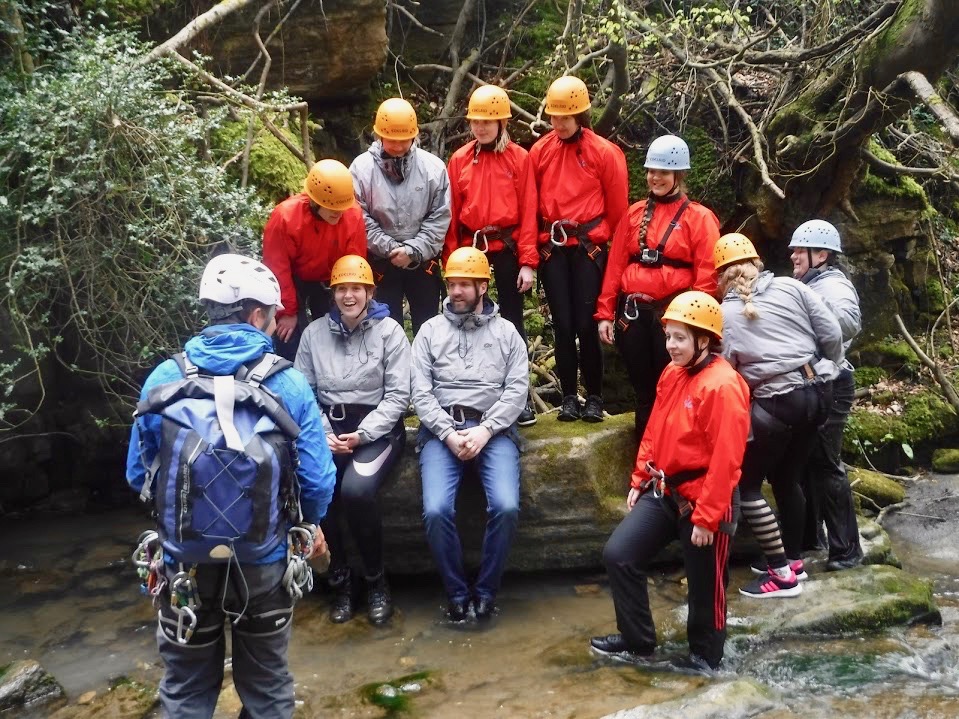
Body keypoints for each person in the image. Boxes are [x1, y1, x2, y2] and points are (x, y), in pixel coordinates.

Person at [126, 254, 335, 719]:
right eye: (272, 314)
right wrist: (308, 525)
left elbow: (139, 476)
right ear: (255, 314)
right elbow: (317, 481)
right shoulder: (290, 384)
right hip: (264, 563)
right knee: (267, 687)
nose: (275, 323)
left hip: (184, 567)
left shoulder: (165, 377)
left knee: (184, 688)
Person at [590, 291, 749, 671]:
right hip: (666, 489)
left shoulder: (723, 386)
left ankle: (705, 658)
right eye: (668, 336)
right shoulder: (672, 373)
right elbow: (655, 428)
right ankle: (638, 640)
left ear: (704, 341)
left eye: (680, 338)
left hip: (708, 496)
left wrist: (708, 517)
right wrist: (641, 475)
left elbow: (728, 459)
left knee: (705, 586)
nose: (671, 345)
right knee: (620, 555)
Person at [714, 233, 843, 598]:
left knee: (747, 485)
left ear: (720, 275)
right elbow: (831, 332)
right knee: (788, 478)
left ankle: (781, 575)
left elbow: (725, 373)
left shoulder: (724, 314)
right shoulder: (792, 286)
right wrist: (828, 364)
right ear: (756, 262)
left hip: (778, 402)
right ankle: (794, 559)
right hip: (820, 391)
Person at [412, 247, 529, 621]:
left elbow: (517, 389)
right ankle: (457, 592)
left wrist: (486, 429)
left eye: (464, 284)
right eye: (451, 284)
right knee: (436, 510)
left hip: (492, 430)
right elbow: (419, 391)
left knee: (507, 507)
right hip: (440, 432)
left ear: (483, 287)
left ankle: (486, 591)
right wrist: (447, 433)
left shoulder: (507, 332)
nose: (456, 291)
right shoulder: (429, 331)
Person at [294, 254, 411, 625]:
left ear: (369, 292)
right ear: (333, 293)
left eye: (356, 289)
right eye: (342, 289)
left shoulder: (390, 331)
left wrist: (362, 435)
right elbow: (303, 391)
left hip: (378, 431)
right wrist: (325, 434)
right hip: (329, 430)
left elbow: (398, 396)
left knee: (357, 491)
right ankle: (342, 582)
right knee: (319, 487)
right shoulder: (314, 334)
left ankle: (377, 582)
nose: (349, 296)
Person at [596, 135, 720, 439]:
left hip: (673, 317)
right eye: (652, 171)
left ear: (678, 175)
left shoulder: (699, 218)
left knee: (674, 388)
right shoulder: (634, 213)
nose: (655, 178)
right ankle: (644, 461)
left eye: (663, 172)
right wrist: (604, 312)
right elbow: (615, 265)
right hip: (633, 314)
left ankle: (671, 459)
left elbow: (707, 274)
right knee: (644, 392)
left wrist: (695, 324)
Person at [528, 75, 628, 422]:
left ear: (581, 115)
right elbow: (531, 206)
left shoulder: (604, 153)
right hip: (554, 248)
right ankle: (569, 396)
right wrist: (531, 254)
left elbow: (618, 214)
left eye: (565, 118)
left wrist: (614, 255)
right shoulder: (540, 151)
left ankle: (595, 398)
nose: (558, 124)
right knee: (563, 325)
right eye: (554, 117)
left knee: (587, 325)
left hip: (588, 248)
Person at [445, 84, 539, 426]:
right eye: (476, 122)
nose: (481, 127)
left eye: (488, 121)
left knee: (513, 323)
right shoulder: (459, 160)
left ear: (502, 123)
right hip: (470, 248)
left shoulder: (519, 158)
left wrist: (528, 261)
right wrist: (451, 261)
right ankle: (466, 396)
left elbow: (529, 210)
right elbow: (452, 214)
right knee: (465, 320)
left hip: (508, 246)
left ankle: (520, 398)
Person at [789, 220, 864, 571]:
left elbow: (849, 322)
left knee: (825, 464)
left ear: (820, 254)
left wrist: (812, 313)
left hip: (833, 383)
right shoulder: (809, 283)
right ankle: (810, 540)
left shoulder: (833, 285)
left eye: (798, 250)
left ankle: (847, 551)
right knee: (803, 462)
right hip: (811, 383)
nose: (792, 255)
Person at [350, 97, 452, 335]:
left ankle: (426, 371)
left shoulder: (433, 169)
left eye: (403, 140)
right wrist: (389, 248)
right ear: (379, 136)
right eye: (391, 140)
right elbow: (357, 216)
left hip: (423, 261)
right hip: (381, 262)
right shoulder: (360, 169)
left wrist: (413, 250)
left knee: (428, 328)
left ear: (414, 137)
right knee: (385, 329)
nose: (397, 146)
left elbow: (440, 217)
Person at [262, 158, 368, 361]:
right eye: (333, 208)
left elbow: (355, 263)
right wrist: (288, 312)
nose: (338, 213)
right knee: (288, 335)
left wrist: (352, 300)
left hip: (331, 279)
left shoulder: (352, 214)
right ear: (316, 201)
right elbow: (277, 268)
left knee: (339, 331)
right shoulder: (285, 217)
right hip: (294, 281)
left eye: (342, 208)